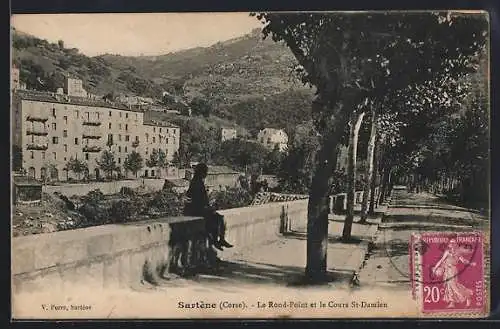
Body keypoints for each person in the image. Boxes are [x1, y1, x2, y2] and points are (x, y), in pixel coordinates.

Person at [184, 163, 233, 251]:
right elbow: (196, 199)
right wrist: (207, 207)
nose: (206, 174)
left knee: (218, 217)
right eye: (205, 172)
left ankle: (219, 240)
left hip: (198, 209)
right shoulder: (197, 183)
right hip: (196, 210)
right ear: (202, 172)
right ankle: (217, 240)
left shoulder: (196, 181)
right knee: (217, 218)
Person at [431, 238, 476, 308]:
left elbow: (463, 261)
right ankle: (452, 303)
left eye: (453, 243)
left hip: (453, 270)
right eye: (451, 243)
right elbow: (441, 260)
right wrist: (435, 268)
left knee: (454, 286)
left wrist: (471, 263)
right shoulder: (447, 252)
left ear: (456, 245)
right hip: (447, 270)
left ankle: (468, 296)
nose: (451, 244)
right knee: (449, 286)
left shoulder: (458, 253)